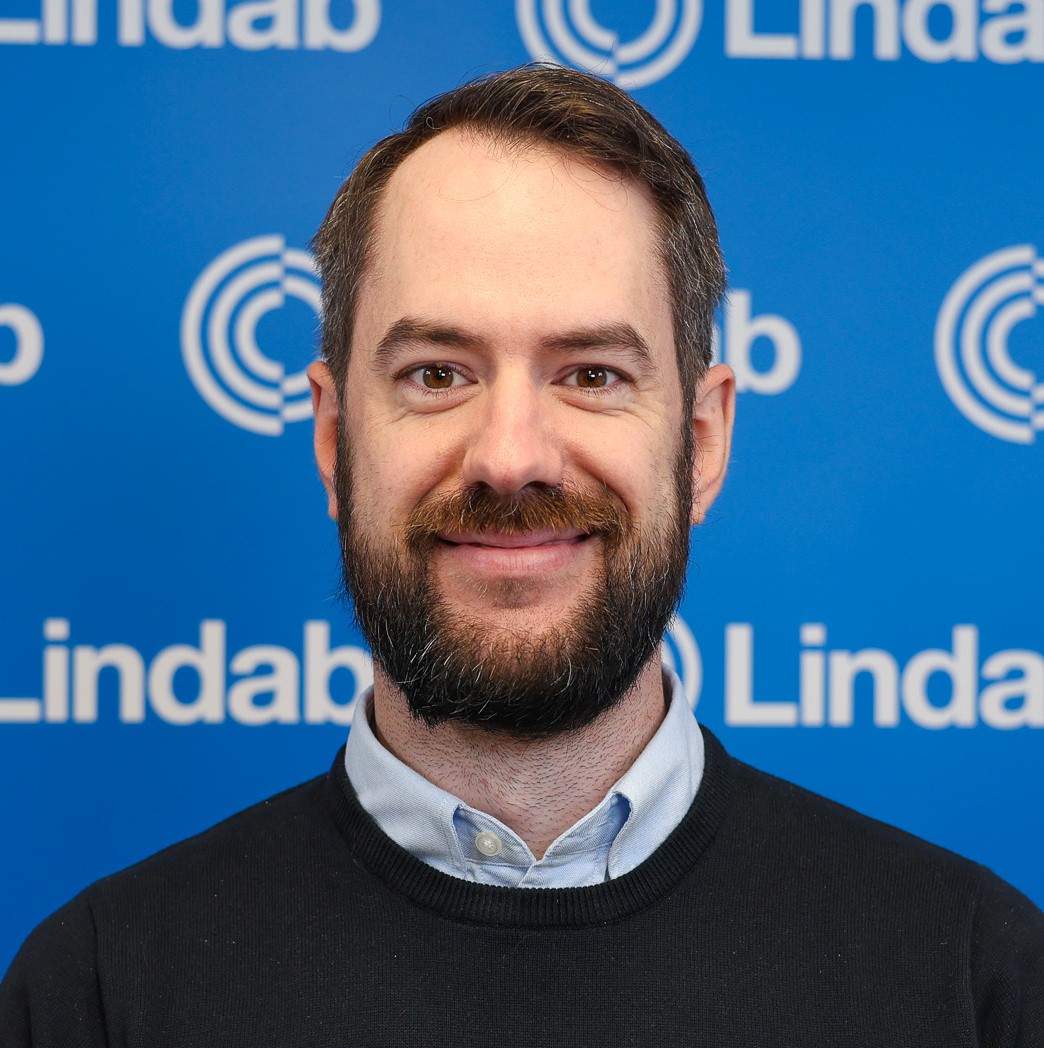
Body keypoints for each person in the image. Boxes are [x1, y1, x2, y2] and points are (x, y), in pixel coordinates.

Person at [2, 64, 1042, 1047]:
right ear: (332, 436)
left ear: (703, 440)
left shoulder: (973, 980)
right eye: (436, 373)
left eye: (590, 374)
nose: (509, 458)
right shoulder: (97, 993)